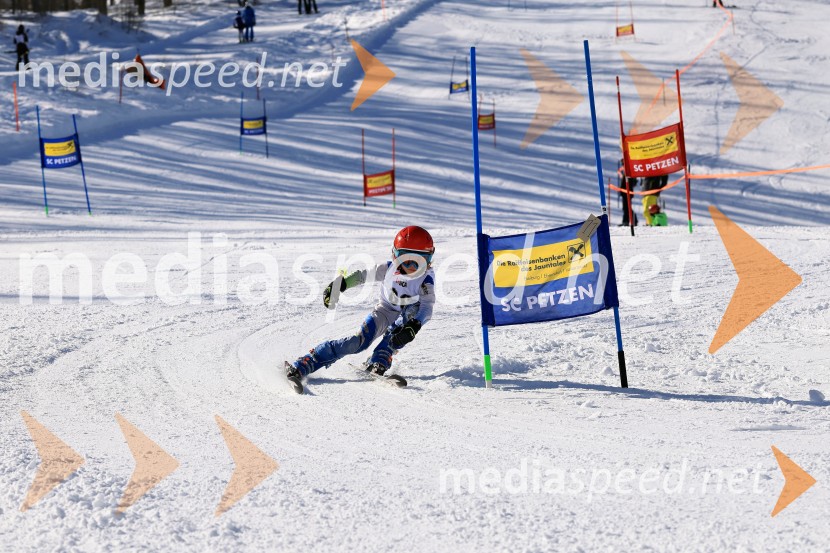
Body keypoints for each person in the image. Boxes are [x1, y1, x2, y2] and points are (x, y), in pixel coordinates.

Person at [285, 226, 436, 389]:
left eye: (419, 260)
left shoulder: (425, 279)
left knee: (407, 320)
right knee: (357, 343)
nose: (412, 267)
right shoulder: (388, 269)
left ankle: (380, 358)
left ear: (429, 259)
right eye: (406, 260)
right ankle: (306, 362)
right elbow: (363, 276)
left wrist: (414, 326)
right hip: (385, 311)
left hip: (406, 316)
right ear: (395, 255)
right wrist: (341, 284)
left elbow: (427, 306)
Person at [618, 161, 638, 227]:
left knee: (627, 208)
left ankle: (631, 221)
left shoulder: (629, 171)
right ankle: (626, 221)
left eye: (623, 164)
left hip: (628, 193)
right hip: (625, 193)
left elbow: (633, 182)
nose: (623, 165)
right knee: (626, 208)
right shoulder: (625, 171)